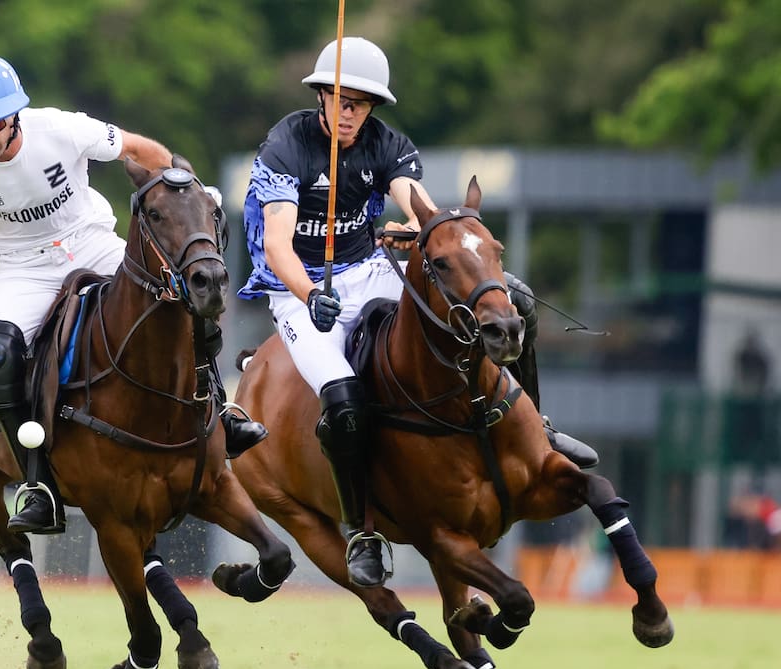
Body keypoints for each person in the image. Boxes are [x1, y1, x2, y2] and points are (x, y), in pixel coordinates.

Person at [238, 37, 597, 586]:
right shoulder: (287, 147)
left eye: (361, 103)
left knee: (497, 310)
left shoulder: (385, 143)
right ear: (322, 98)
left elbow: (412, 197)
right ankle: (362, 529)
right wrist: (311, 296)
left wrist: (424, 230)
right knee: (342, 395)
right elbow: (279, 246)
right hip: (298, 289)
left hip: (367, 267)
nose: (351, 112)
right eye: (341, 100)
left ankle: (537, 430)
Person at [0, 55, 265, 535]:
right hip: (22, 269)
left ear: (15, 114)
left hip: (91, 242)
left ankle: (222, 415)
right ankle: (38, 484)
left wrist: (185, 186)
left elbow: (139, 149)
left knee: (185, 305)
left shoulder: (62, 130)